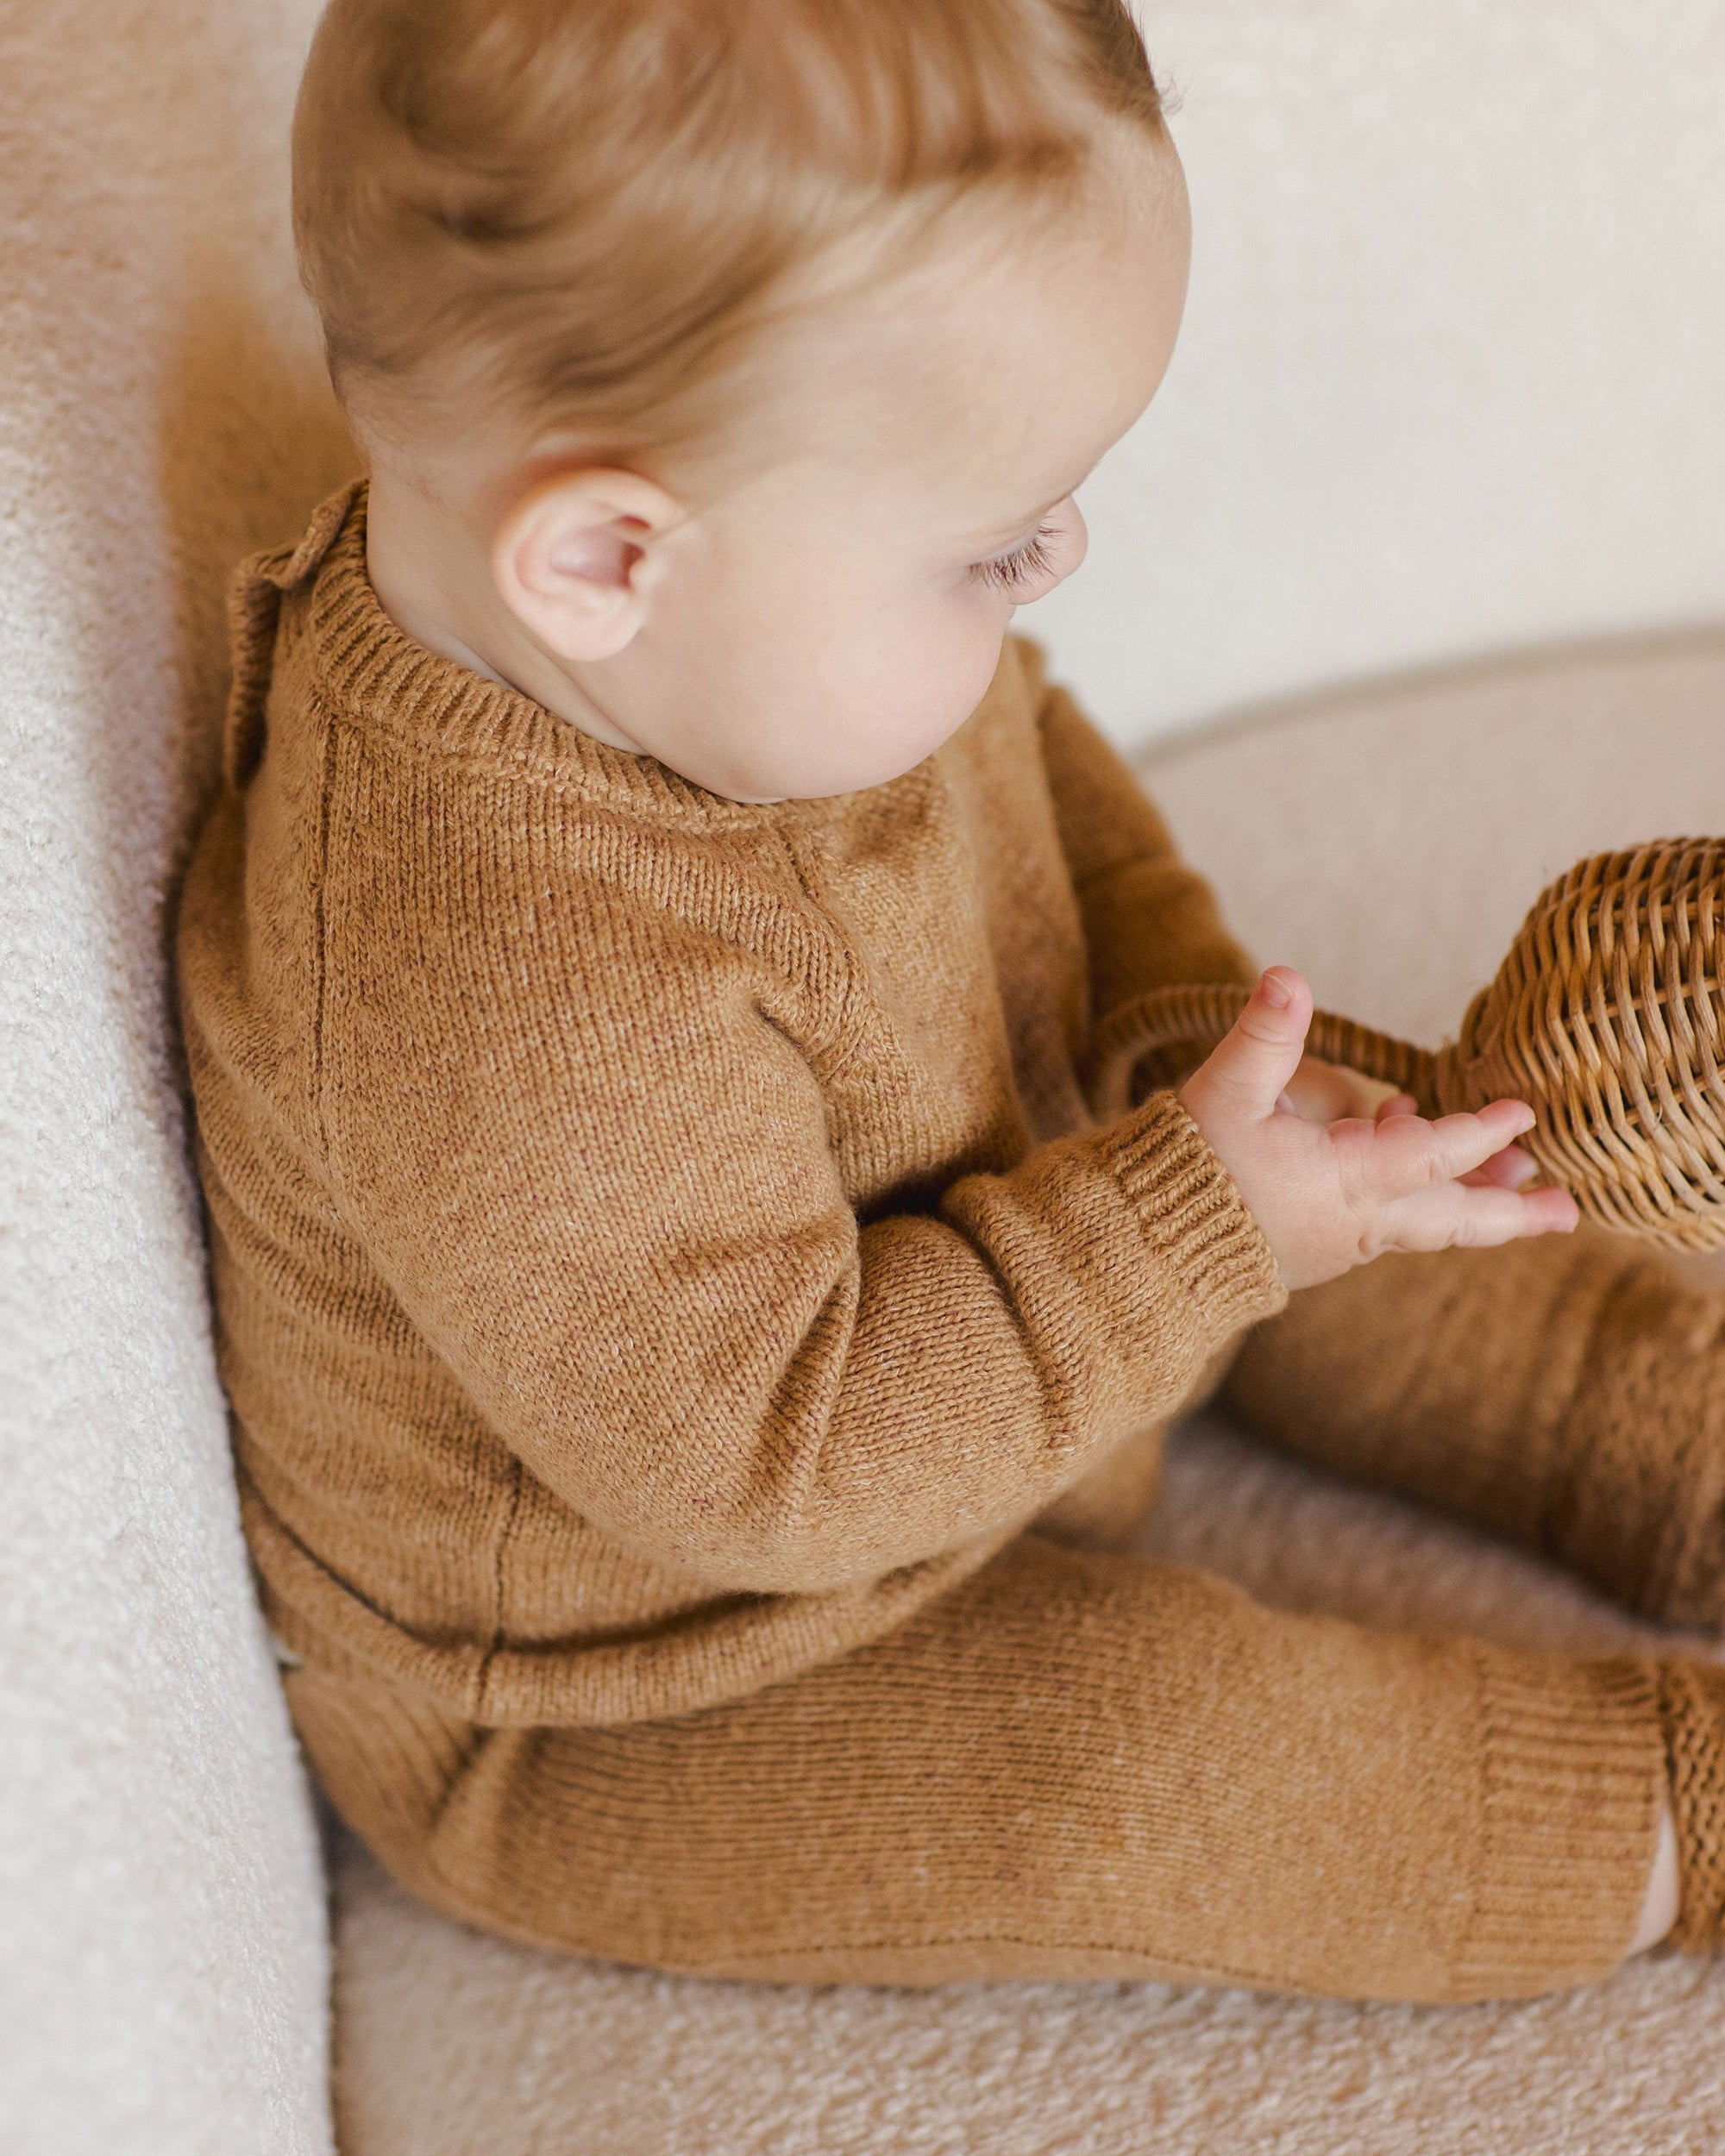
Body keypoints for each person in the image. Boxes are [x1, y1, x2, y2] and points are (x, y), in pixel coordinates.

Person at [178, 0, 1725, 1999]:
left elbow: (1039, 778)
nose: (1055, 566)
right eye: (993, 546)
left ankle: (1674, 1440)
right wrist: (1188, 1229)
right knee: (1155, 1754)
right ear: (601, 554)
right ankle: (1663, 1806)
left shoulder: (724, 641)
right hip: (681, 1657)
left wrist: (1177, 1021)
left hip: (1009, 1232)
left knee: (1418, 1215)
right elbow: (775, 1451)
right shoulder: (473, 981)